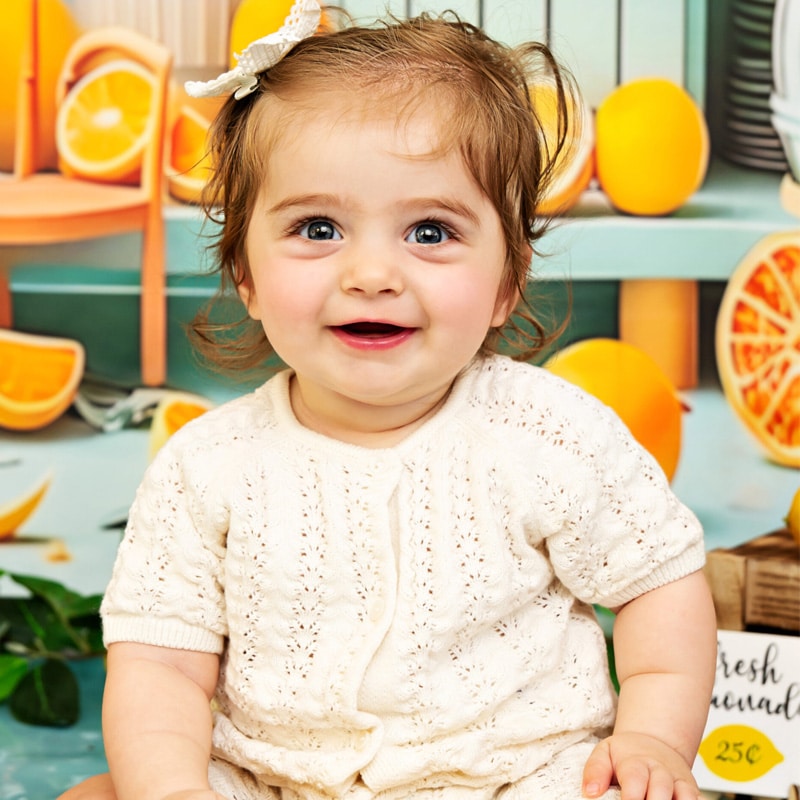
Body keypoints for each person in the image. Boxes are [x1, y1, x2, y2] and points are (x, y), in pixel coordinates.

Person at [59, 2, 718, 799]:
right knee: (99, 794)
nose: (371, 273)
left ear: (507, 282)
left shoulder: (551, 433)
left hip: (514, 777)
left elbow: (660, 583)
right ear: (246, 274)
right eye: (318, 227)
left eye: (431, 233)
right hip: (274, 780)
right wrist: (171, 789)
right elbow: (160, 662)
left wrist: (650, 736)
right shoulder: (208, 466)